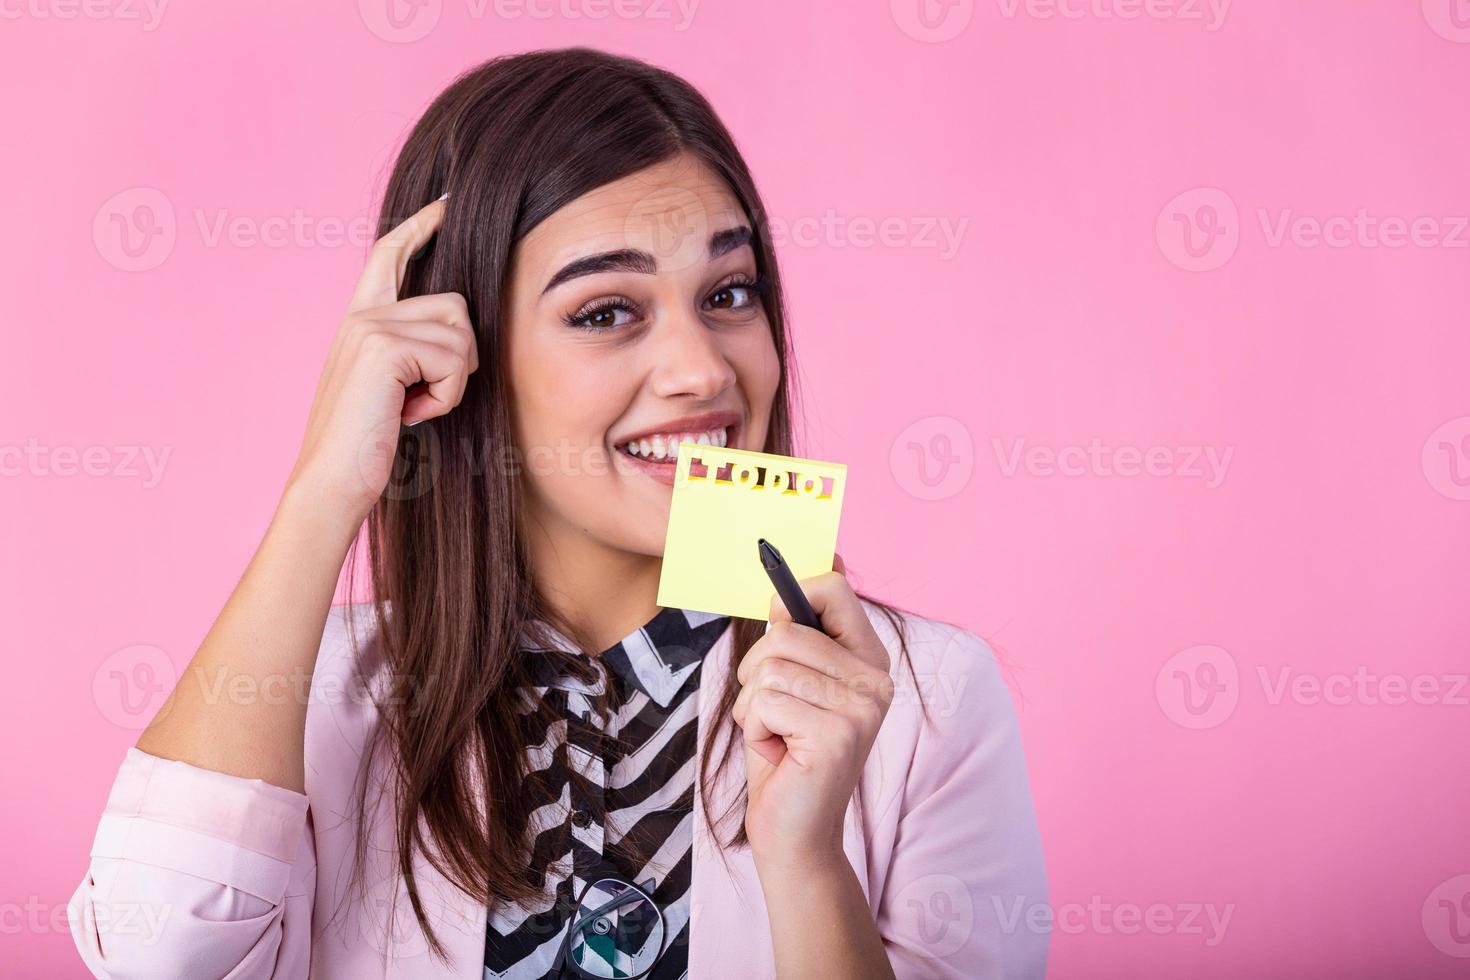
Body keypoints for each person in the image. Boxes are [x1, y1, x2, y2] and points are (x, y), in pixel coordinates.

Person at [68, 46, 1049, 979]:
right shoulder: (305, 696)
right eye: (606, 311)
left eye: (730, 292)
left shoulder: (927, 700)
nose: (704, 368)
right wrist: (328, 479)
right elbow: (161, 956)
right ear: (456, 352)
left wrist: (805, 860)